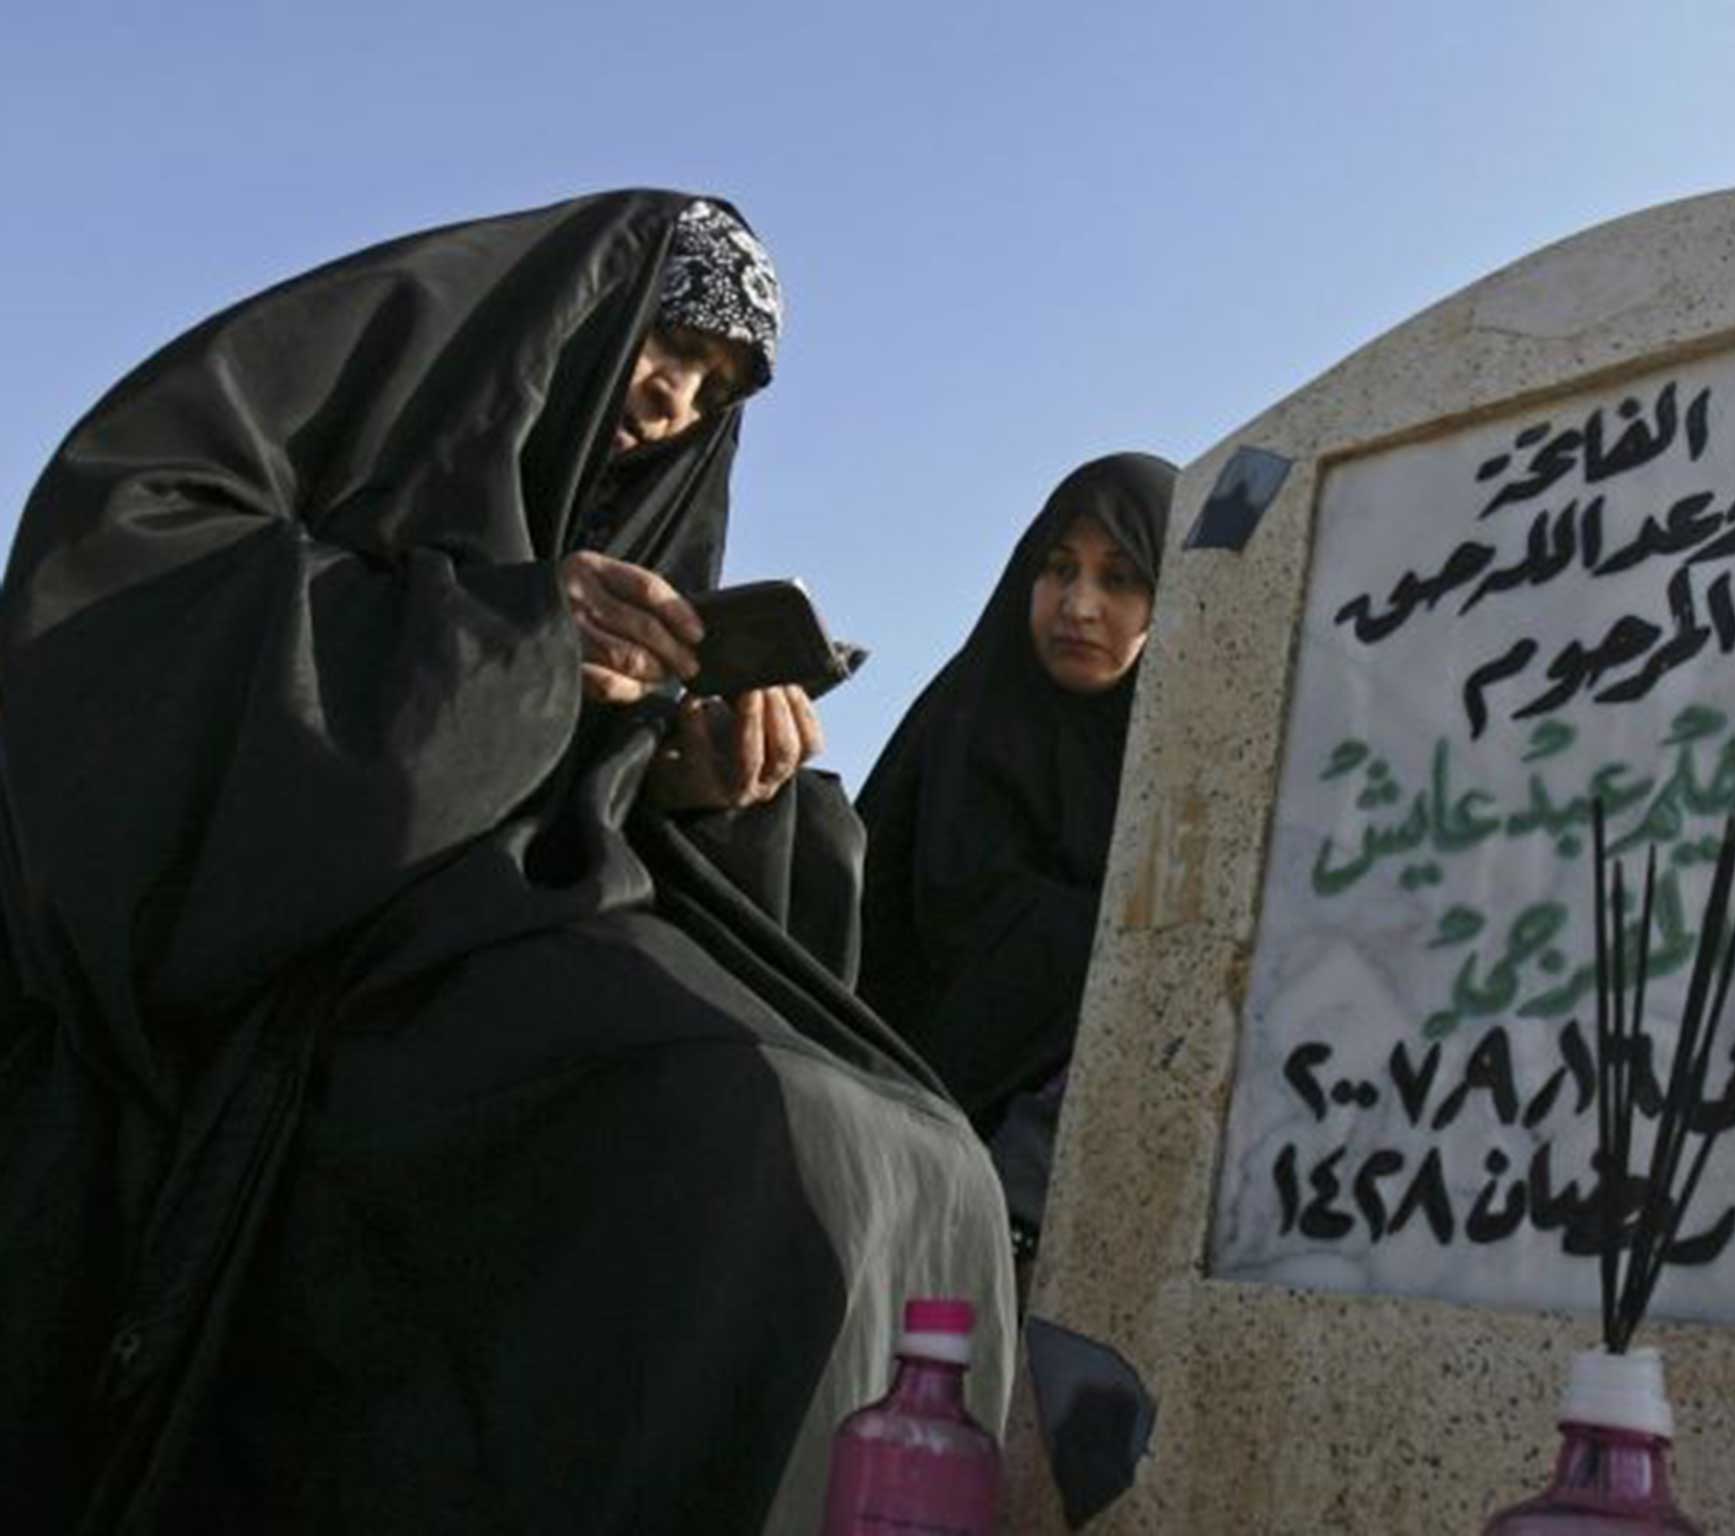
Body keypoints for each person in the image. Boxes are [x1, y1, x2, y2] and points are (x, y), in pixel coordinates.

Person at [0, 190, 1012, 1534]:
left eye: (715, 386)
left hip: (509, 924)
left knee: (925, 1154)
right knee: (732, 1126)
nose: (671, 398)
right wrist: (513, 641)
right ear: (577, 316)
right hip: (308, 924)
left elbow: (578, 812)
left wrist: (687, 780)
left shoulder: (637, 521)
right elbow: (124, 584)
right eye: (668, 342)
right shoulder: (341, 390)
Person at [855, 453, 1177, 1258]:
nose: (1079, 606)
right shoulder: (967, 725)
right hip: (891, 1153)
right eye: (1058, 569)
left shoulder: (1182, 763)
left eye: (1121, 579)